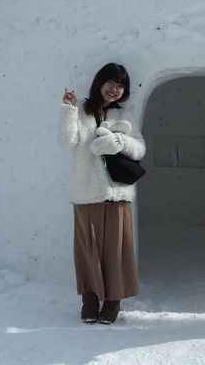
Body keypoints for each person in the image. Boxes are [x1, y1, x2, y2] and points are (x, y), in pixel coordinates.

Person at [59, 63, 146, 325]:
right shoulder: (82, 109)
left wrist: (119, 142)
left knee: (117, 252)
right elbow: (66, 142)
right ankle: (89, 299)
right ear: (99, 82)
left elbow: (140, 149)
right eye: (110, 83)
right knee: (88, 250)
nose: (115, 89)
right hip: (87, 191)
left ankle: (113, 301)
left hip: (118, 192)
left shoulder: (124, 114)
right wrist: (68, 110)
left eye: (120, 86)